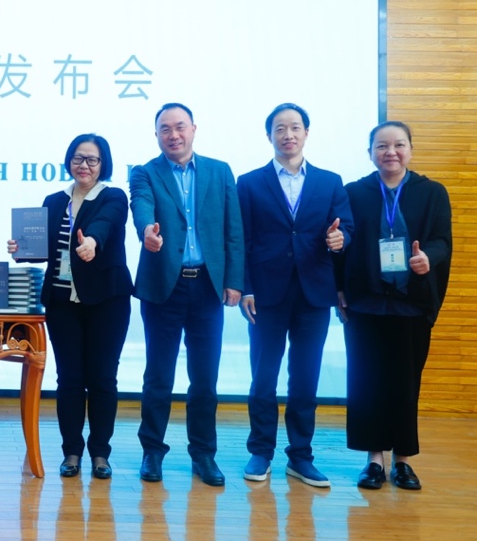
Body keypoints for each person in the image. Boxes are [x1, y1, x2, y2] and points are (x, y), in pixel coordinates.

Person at [236, 103, 354, 487]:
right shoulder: (249, 183)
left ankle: (300, 456)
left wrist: (340, 238)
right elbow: (241, 239)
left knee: (305, 379)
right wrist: (246, 287)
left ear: (306, 133)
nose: (288, 134)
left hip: (313, 294)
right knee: (263, 377)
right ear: (268, 135)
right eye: (280, 128)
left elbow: (347, 227)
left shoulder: (329, 181)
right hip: (265, 295)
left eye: (295, 127)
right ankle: (260, 451)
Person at [130, 102, 245, 487]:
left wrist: (234, 280)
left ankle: (204, 454)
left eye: (180, 126)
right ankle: (152, 451)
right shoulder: (146, 172)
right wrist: (147, 230)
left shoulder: (219, 171)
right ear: (157, 135)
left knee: (205, 378)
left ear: (194, 128)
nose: (173, 135)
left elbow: (233, 230)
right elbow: (141, 206)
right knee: (158, 376)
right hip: (164, 285)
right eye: (165, 129)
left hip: (208, 287)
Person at [7, 134, 133, 480]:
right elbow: (43, 249)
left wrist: (91, 241)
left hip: (107, 301)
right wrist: (21, 250)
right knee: (70, 379)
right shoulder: (54, 201)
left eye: (92, 159)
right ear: (69, 161)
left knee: (103, 378)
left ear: (103, 164)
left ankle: (100, 453)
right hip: (62, 303)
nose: (84, 165)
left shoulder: (113, 197)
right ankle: (72, 452)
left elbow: (104, 224)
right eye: (78, 158)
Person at [338, 121, 452, 491]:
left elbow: (442, 241)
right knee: (366, 381)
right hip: (366, 303)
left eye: (399, 145)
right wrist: (338, 290)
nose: (391, 152)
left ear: (410, 150)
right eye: (382, 146)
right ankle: (374, 460)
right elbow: (342, 244)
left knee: (405, 383)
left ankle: (403, 461)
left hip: (410, 303)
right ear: (370, 152)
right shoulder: (354, 192)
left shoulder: (431, 192)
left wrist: (427, 258)